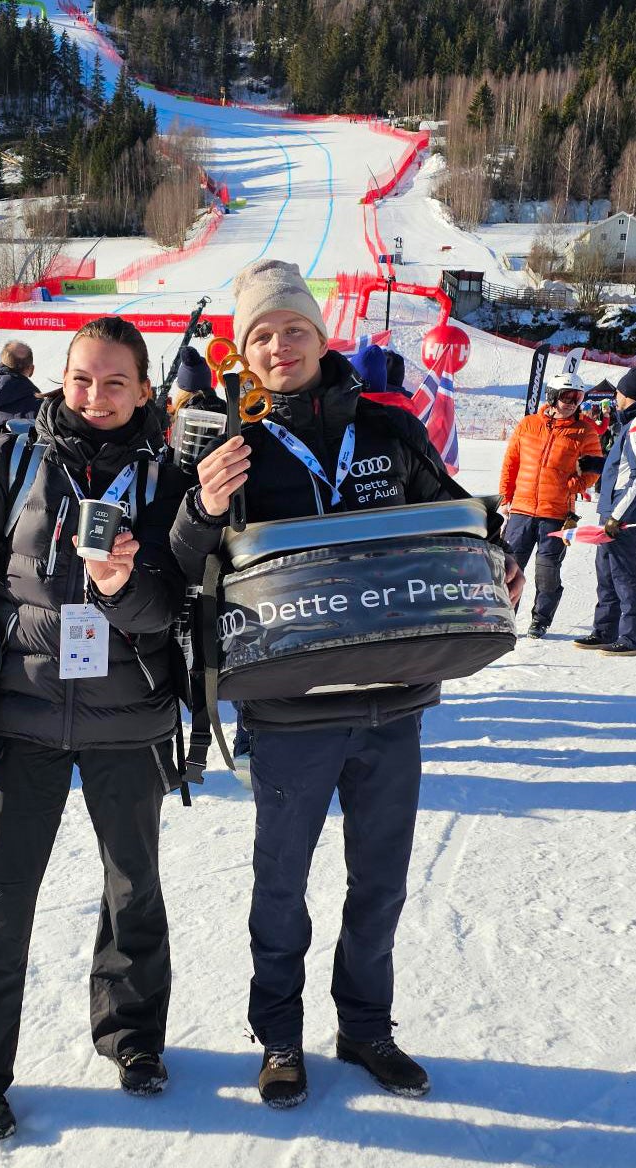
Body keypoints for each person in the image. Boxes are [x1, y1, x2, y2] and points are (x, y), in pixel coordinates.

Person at [171, 259, 523, 1109]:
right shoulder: (234, 447)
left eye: (293, 329)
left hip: (394, 696)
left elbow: (458, 517)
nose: (279, 345)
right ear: (244, 354)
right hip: (289, 708)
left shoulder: (390, 427)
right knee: (281, 884)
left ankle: (366, 1029)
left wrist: (499, 559)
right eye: (261, 335)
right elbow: (183, 567)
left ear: (321, 336)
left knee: (382, 882)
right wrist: (203, 510)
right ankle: (280, 1039)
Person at [0, 316, 190, 1142]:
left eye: (116, 382)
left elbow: (178, 604)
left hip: (130, 718)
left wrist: (120, 585)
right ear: (60, 380)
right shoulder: (14, 457)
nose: (97, 397)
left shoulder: (171, 476)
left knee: (133, 889)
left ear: (146, 390)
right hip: (20, 720)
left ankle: (133, 1037)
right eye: (82, 379)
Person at [498, 371, 603, 638]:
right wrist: (506, 498)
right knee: (509, 568)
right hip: (521, 510)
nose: (571, 403)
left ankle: (541, 619)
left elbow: (593, 470)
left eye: (577, 398)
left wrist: (572, 486)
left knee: (547, 571)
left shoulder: (585, 431)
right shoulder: (528, 425)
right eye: (566, 397)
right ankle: (505, 616)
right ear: (553, 396)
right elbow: (511, 464)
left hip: (555, 514)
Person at [574, 365, 636, 656]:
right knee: (606, 571)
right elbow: (623, 466)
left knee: (624, 573)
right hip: (613, 509)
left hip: (623, 513)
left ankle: (634, 637)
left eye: (618, 391)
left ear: (628, 394)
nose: (615, 396)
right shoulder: (630, 422)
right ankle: (607, 629)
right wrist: (597, 466)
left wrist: (618, 515)